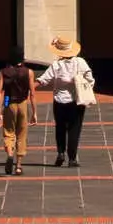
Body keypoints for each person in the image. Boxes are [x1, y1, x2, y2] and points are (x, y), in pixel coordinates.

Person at [37, 34, 94, 168]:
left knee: (60, 128)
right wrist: (85, 87)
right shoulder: (80, 62)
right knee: (74, 129)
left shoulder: (56, 65)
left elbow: (43, 79)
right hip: (76, 101)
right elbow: (90, 79)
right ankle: (72, 158)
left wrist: (30, 87)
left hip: (59, 101)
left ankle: (60, 152)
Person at [0, 59, 36, 175]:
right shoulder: (29, 72)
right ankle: (18, 165)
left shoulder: (3, 72)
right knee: (22, 134)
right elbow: (32, 93)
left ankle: (10, 154)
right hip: (23, 103)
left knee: (8, 131)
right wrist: (34, 112)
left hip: (8, 101)